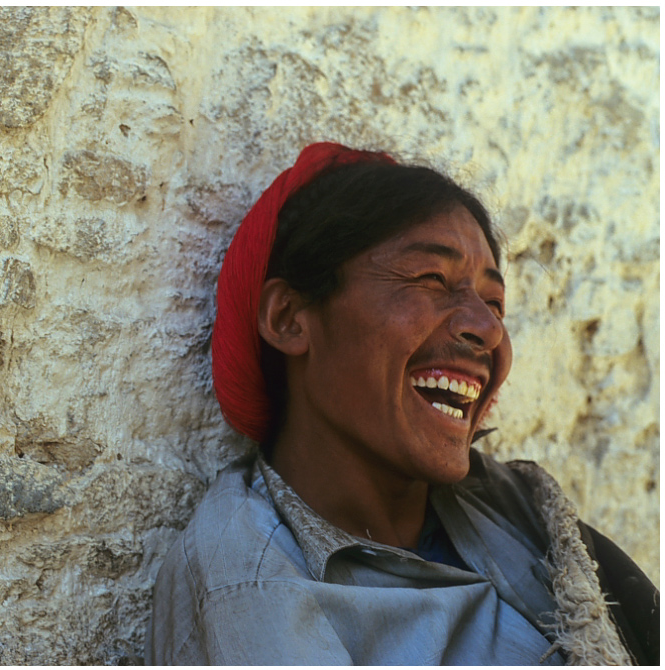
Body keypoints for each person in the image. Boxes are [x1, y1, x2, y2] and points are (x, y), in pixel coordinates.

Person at [145, 143, 659, 665]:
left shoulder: (520, 510)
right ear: (289, 318)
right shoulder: (251, 589)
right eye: (431, 280)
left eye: (494, 301)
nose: (487, 328)